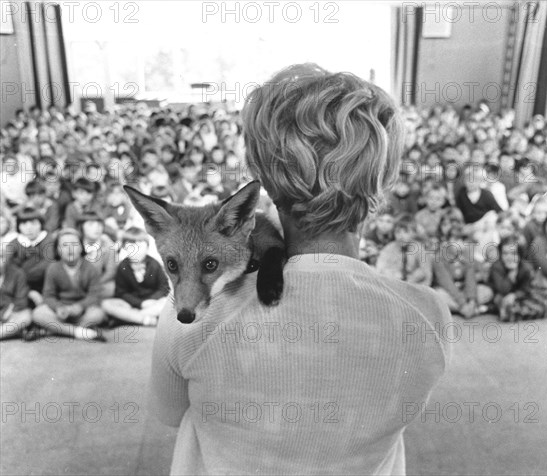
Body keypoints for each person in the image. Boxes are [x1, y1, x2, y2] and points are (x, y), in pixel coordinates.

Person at [150, 64, 450, 475]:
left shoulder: (187, 319)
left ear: (267, 187)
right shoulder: (429, 316)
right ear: (380, 186)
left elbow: (169, 413)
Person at [31, 228, 106, 341]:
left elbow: (94, 295)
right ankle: (79, 331)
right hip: (61, 311)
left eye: (74, 244)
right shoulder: (53, 268)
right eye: (65, 245)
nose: (70, 249)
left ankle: (55, 330)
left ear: (81, 247)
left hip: (82, 311)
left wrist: (80, 306)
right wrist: (58, 307)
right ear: (58, 249)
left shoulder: (91, 268)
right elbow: (48, 295)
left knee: (98, 314)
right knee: (38, 313)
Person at [101, 227, 169, 326]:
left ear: (147, 248)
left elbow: (163, 288)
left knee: (166, 302)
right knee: (106, 304)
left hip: (152, 304)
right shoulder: (123, 266)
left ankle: (131, 318)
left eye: (140, 247)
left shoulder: (154, 264)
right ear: (124, 247)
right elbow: (121, 292)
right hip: (130, 304)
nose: (136, 252)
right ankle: (144, 319)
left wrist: (150, 301)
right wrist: (139, 303)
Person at [0, 245, 32, 340]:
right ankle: (13, 332)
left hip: (11, 313)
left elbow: (21, 301)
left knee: (26, 316)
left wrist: (9, 311)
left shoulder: (18, 273)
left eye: (1, 257)